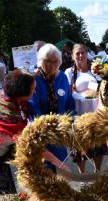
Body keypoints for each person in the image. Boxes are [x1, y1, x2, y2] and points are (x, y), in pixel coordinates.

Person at [0, 69, 36, 193]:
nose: (35, 91)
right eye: (33, 89)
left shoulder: (1, 94)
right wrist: (58, 162)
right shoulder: (10, 116)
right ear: (22, 91)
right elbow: (25, 141)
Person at [29, 43, 75, 172]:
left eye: (56, 61)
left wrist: (72, 122)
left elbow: (69, 103)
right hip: (41, 133)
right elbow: (33, 107)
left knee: (60, 170)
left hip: (59, 133)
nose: (52, 65)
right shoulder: (34, 79)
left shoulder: (63, 78)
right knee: (44, 172)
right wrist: (45, 128)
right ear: (40, 61)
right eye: (47, 61)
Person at [65, 44, 101, 173]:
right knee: (79, 145)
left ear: (87, 54)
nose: (80, 55)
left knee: (97, 144)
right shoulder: (70, 72)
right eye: (77, 53)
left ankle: (97, 173)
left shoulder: (95, 69)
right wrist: (81, 97)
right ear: (73, 56)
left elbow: (101, 86)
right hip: (78, 114)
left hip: (95, 113)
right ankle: (82, 175)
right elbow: (68, 91)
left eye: (83, 53)